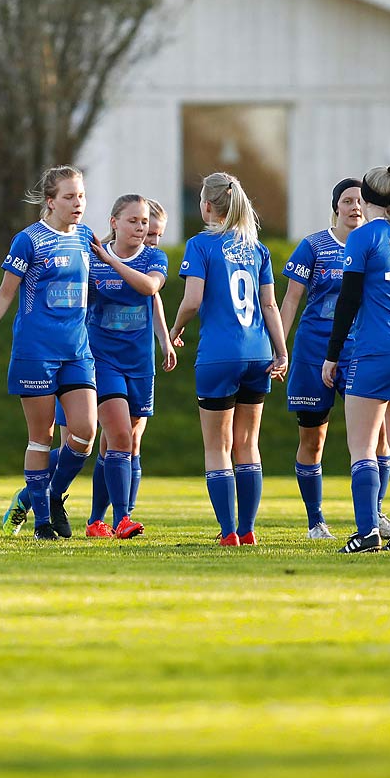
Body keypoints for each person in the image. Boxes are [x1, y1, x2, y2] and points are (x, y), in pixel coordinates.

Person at [0, 165, 134, 540]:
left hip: (78, 351)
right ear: (50, 201)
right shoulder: (29, 240)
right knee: (41, 438)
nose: (78, 203)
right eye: (69, 196)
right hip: (36, 352)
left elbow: (98, 284)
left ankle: (43, 494)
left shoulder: (85, 237)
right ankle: (43, 522)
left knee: (84, 432)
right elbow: (5, 293)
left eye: (81, 195)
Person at [169, 172, 289, 546]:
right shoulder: (258, 249)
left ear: (206, 205)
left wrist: (173, 331)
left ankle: (228, 532)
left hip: (220, 356)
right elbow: (269, 304)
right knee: (248, 444)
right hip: (258, 353)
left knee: (217, 447)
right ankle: (249, 529)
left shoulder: (200, 245)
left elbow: (191, 300)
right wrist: (282, 350)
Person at [279, 179, 390, 541]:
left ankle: (375, 514)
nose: (355, 207)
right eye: (347, 201)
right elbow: (290, 301)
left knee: (378, 438)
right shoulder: (313, 246)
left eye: (360, 201)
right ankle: (316, 522)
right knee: (313, 439)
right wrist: (279, 348)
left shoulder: (377, 245)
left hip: (363, 350)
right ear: (336, 207)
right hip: (315, 352)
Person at [322, 164, 390, 553]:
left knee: (364, 447)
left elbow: (347, 303)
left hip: (380, 348)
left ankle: (367, 532)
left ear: (366, 199)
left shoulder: (364, 236)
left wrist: (331, 356)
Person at [76, 194, 172, 538]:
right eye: (133, 221)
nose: (140, 227)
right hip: (102, 360)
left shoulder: (154, 257)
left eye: (144, 222)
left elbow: (149, 288)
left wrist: (164, 340)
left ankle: (95, 520)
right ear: (114, 222)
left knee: (127, 442)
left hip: (139, 362)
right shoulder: (92, 258)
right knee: (117, 436)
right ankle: (122, 519)